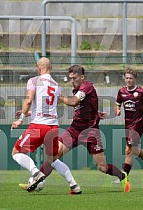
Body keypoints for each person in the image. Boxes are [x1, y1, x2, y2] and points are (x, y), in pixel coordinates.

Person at [39, 64, 130, 193]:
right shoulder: (76, 89)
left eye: (74, 78)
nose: (72, 81)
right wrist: (95, 113)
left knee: (102, 167)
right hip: (75, 130)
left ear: (82, 77)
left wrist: (58, 97)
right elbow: (86, 104)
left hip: (90, 132)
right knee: (54, 154)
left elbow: (74, 102)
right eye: (70, 78)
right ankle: (36, 180)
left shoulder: (86, 86)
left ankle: (122, 176)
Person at [11, 57, 81, 193]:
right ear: (51, 68)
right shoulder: (55, 84)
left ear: (39, 68)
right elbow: (46, 107)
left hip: (38, 126)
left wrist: (21, 118)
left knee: (16, 152)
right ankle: (74, 185)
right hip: (53, 127)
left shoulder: (34, 81)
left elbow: (29, 99)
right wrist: (30, 113)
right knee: (53, 159)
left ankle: (36, 173)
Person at [114, 68, 143, 184]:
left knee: (128, 149)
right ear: (124, 78)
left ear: (135, 79)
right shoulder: (121, 91)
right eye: (127, 78)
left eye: (131, 78)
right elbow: (117, 104)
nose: (128, 80)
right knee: (133, 150)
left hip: (138, 123)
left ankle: (123, 177)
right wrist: (118, 110)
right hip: (127, 124)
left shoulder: (142, 92)